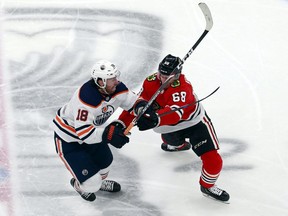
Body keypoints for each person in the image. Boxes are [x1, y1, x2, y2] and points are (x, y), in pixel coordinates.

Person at [118, 54, 230, 202]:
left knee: (214, 161)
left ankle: (207, 186)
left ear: (177, 75)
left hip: (194, 123)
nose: (162, 79)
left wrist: (155, 119)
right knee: (172, 141)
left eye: (166, 77)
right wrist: (121, 124)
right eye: (160, 75)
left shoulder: (183, 87)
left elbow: (176, 113)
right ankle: (178, 145)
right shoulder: (151, 81)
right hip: (167, 128)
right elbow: (136, 104)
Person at [52, 60, 138, 202]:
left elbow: (132, 101)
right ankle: (81, 184)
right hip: (69, 140)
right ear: (100, 82)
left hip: (91, 133)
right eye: (112, 79)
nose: (117, 82)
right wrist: (108, 135)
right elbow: (84, 134)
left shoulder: (117, 88)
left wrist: (141, 107)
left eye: (116, 77)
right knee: (91, 185)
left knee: (106, 163)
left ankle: (98, 182)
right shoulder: (86, 99)